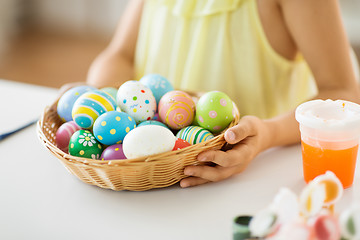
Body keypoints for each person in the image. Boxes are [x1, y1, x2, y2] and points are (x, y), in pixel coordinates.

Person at [84, 0, 360, 188]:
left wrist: (266, 134)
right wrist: (99, 100)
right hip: (146, 178)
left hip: (254, 182)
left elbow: (343, 90)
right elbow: (119, 55)